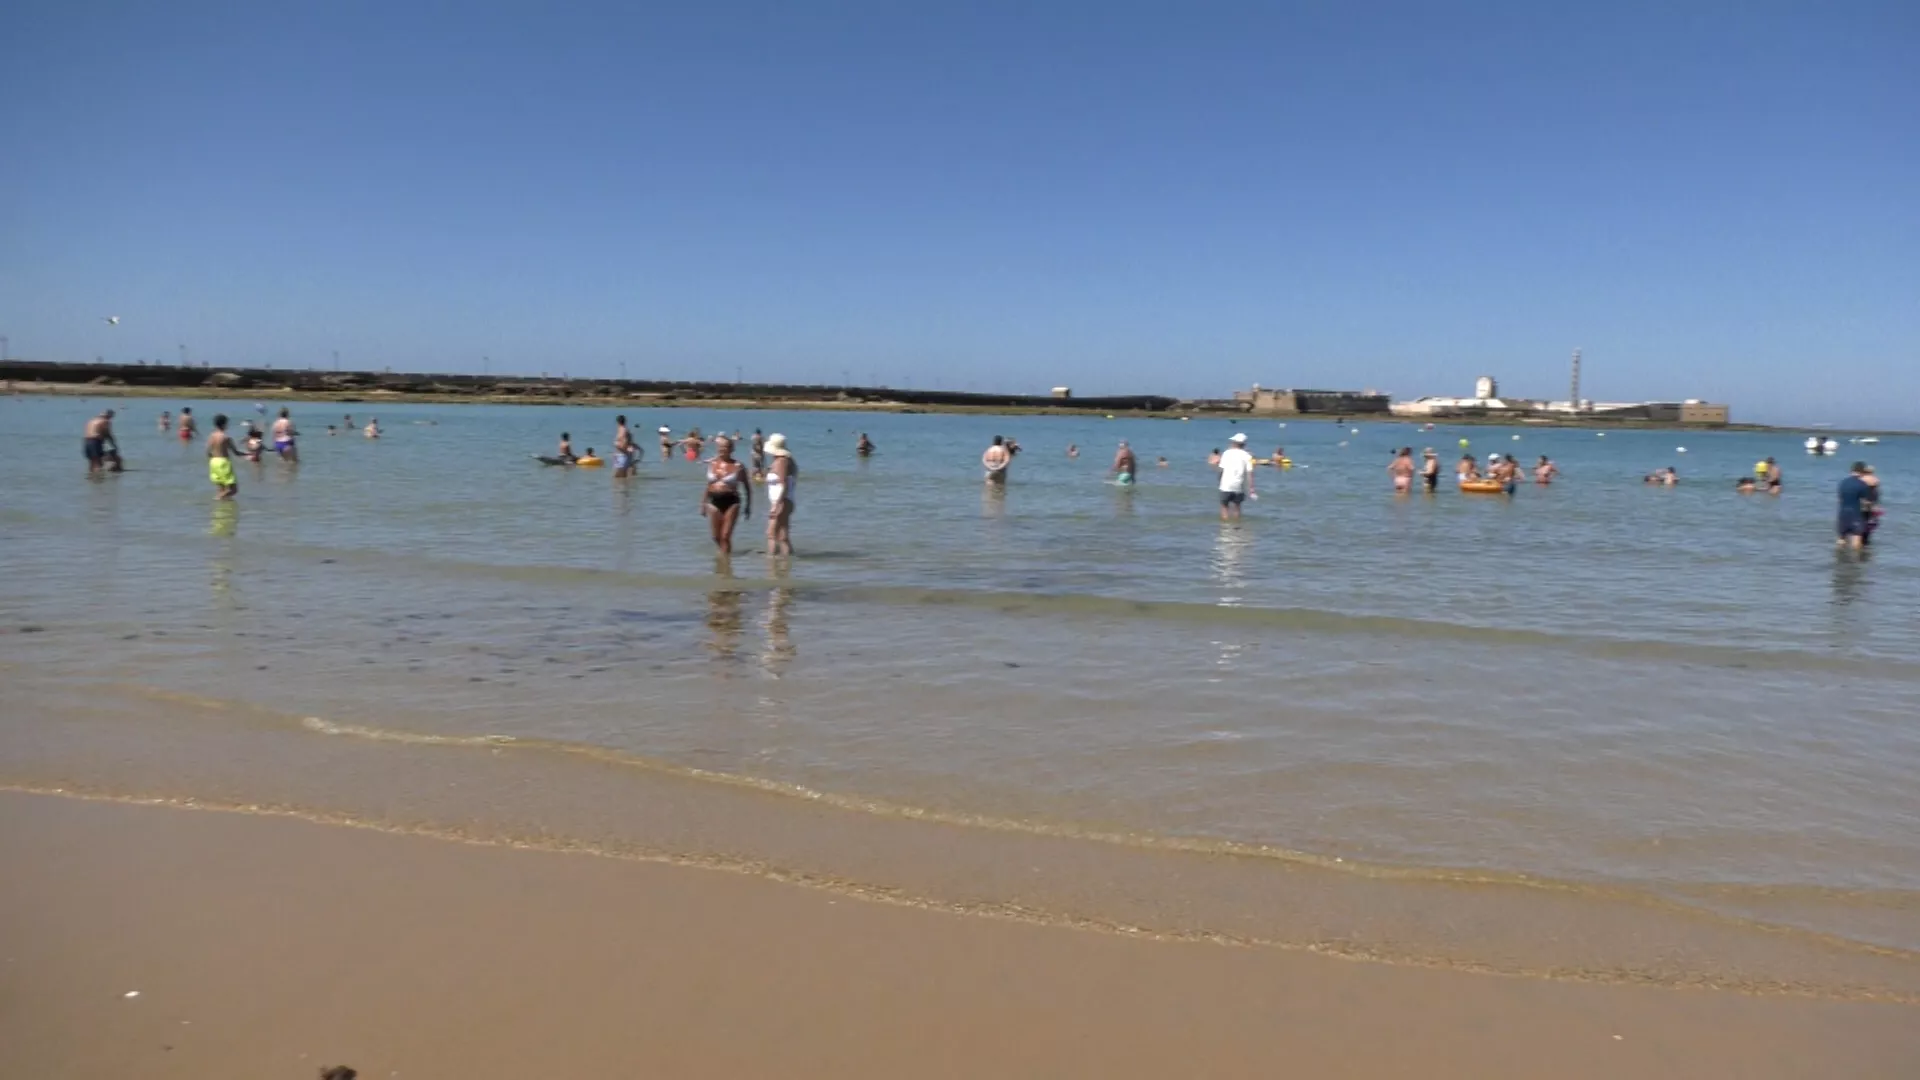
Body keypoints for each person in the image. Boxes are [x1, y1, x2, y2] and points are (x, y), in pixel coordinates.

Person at [701, 435, 751, 553]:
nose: (722, 449)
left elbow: (747, 487)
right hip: (713, 501)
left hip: (731, 501)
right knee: (715, 537)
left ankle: (725, 560)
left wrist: (748, 506)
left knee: (725, 536)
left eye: (726, 447)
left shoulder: (738, 466)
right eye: (720, 447)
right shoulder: (712, 463)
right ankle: (724, 556)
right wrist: (703, 504)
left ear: (731, 449)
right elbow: (708, 485)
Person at [764, 433, 797, 555]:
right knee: (782, 536)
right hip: (785, 500)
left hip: (782, 501)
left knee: (771, 534)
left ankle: (771, 561)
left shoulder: (781, 462)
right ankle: (787, 561)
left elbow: (784, 484)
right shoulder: (785, 461)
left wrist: (776, 505)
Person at [1217, 433, 1256, 520]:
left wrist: (1219, 480)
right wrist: (1251, 489)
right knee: (1237, 507)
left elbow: (1221, 470)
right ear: (1244, 444)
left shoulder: (1226, 453)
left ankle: (1225, 526)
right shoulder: (1247, 456)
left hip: (1226, 485)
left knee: (1224, 506)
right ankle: (1236, 525)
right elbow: (1250, 473)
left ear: (1234, 442)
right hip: (1239, 486)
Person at [1837, 462, 1874, 551]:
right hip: (1855, 514)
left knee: (1841, 538)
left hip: (1843, 513)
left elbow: (1840, 499)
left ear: (1852, 470)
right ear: (1862, 472)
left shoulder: (1843, 483)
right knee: (1856, 539)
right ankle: (1856, 558)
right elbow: (1867, 502)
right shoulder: (1862, 485)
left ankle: (1839, 556)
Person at [206, 414, 237, 499]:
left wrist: (212, 460)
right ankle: (217, 499)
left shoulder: (211, 436)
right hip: (223, 462)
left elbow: (207, 451)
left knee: (221, 488)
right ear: (224, 424)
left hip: (213, 461)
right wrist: (247, 454)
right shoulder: (226, 437)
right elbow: (236, 452)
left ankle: (223, 505)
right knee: (233, 490)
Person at [83, 409, 118, 474]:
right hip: (95, 442)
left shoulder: (92, 421)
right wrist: (114, 445)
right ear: (110, 416)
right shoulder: (105, 421)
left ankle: (91, 477)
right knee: (98, 463)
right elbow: (108, 434)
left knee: (92, 462)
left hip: (87, 441)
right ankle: (99, 478)